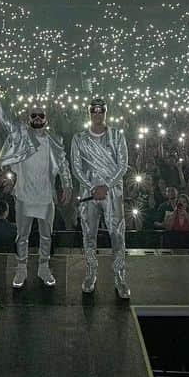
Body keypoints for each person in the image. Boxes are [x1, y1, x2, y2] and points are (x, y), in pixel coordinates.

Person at [0, 86, 72, 289]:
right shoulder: (21, 137)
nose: (37, 118)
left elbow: (63, 164)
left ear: (45, 118)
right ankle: (21, 268)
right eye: (33, 115)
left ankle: (44, 267)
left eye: (40, 115)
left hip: (45, 197)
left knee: (45, 236)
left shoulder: (55, 141)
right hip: (24, 196)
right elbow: (6, 123)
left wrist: (67, 184)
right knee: (22, 236)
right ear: (29, 118)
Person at [70, 97, 130, 298]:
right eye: (93, 110)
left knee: (118, 236)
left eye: (101, 110)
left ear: (106, 112)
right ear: (89, 113)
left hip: (112, 193)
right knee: (88, 235)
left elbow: (123, 165)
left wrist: (107, 186)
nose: (97, 114)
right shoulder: (79, 139)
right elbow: (76, 167)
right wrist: (91, 187)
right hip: (89, 194)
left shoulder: (116, 136)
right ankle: (90, 273)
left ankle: (120, 277)